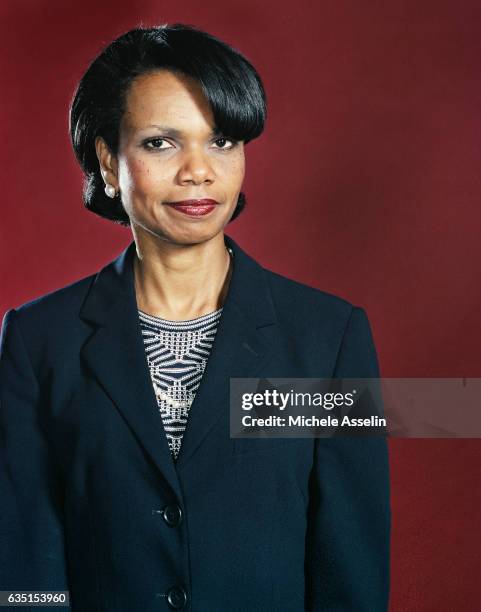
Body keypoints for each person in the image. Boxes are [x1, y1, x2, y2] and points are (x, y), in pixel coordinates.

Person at [0, 24, 390, 611]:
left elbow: (350, 568)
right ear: (109, 160)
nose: (198, 171)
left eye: (222, 141)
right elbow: (24, 560)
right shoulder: (36, 342)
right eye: (161, 142)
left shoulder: (327, 339)